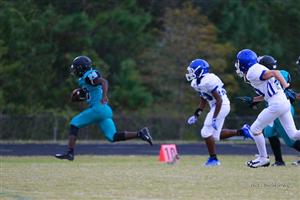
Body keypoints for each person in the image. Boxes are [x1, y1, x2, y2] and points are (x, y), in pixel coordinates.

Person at [55, 56, 153, 161]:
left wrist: (104, 96)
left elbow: (104, 81)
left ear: (81, 68)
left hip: (98, 108)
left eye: (75, 68)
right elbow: (88, 93)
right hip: (104, 110)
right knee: (112, 136)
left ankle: (70, 153)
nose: (74, 70)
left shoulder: (89, 76)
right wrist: (77, 96)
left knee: (74, 123)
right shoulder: (85, 79)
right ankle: (140, 134)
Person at [235, 49, 300, 168]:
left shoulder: (252, 72)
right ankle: (263, 158)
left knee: (255, 129)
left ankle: (263, 158)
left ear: (245, 63)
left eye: (239, 62)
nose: (237, 65)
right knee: (294, 134)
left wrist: (286, 86)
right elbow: (268, 93)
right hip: (281, 102)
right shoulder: (255, 69)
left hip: (277, 103)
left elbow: (275, 72)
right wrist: (253, 100)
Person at [185, 59, 252, 167]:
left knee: (205, 132)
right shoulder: (196, 83)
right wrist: (196, 114)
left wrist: (214, 118)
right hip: (216, 106)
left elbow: (219, 100)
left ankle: (213, 159)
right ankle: (242, 131)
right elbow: (203, 99)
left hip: (222, 105)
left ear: (200, 70)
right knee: (214, 136)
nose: (190, 73)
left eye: (192, 70)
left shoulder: (208, 80)